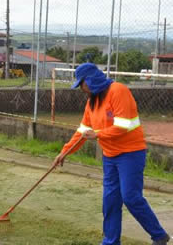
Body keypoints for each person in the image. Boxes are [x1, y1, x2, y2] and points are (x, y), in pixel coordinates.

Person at [53, 63, 170, 245]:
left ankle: (159, 236)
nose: (82, 89)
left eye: (82, 84)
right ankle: (111, 241)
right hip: (110, 155)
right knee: (110, 200)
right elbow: (83, 131)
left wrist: (98, 134)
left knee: (131, 197)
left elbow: (124, 126)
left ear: (90, 80)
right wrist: (64, 152)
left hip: (131, 153)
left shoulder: (118, 91)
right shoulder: (92, 102)